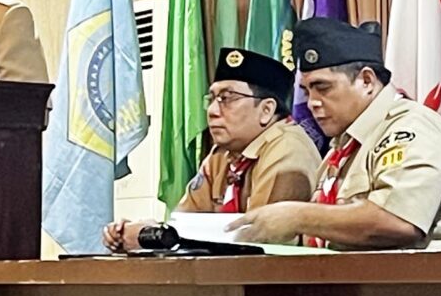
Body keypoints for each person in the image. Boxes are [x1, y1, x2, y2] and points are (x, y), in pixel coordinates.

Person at [232, 17, 441, 250]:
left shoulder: (411, 128)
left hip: (426, 282)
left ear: (366, 81)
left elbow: (399, 222)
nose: (312, 103)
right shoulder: (342, 147)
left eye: (323, 88)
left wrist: (298, 216)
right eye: (307, 91)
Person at [102, 46, 317, 251]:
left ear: (267, 110)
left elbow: (259, 239)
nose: (213, 111)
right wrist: (150, 233)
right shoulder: (223, 154)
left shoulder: (287, 148)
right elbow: (185, 223)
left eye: (227, 98)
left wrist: (163, 237)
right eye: (212, 99)